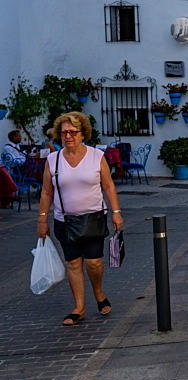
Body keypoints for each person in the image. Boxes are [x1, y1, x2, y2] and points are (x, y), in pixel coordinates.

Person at [36, 111, 124, 325]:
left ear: (83, 133)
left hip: (94, 218)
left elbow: (108, 185)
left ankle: (99, 293)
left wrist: (116, 212)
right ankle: (79, 308)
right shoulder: (53, 159)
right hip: (65, 221)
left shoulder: (96, 156)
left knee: (94, 262)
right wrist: (42, 219)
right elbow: (47, 192)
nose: (68, 136)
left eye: (73, 132)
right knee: (74, 263)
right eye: (64, 132)